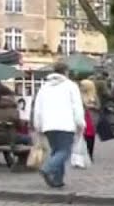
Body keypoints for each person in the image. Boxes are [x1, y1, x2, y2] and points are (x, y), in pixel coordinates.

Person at [31, 60, 86, 189]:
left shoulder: (44, 87)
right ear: (66, 72)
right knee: (64, 152)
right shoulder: (71, 86)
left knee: (56, 150)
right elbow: (77, 106)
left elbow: (37, 108)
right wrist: (80, 123)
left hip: (48, 125)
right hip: (66, 124)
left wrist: (38, 125)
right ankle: (47, 168)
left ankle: (58, 179)